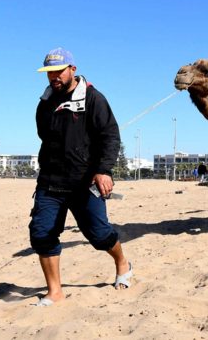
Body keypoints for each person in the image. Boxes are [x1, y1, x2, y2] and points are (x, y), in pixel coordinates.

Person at [30, 47, 132, 307]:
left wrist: (103, 170)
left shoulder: (93, 98)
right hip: (51, 181)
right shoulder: (44, 103)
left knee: (99, 235)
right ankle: (55, 291)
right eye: (49, 72)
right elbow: (45, 136)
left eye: (59, 71)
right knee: (42, 234)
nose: (54, 77)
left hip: (85, 182)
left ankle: (122, 262)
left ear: (72, 70)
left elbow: (110, 136)